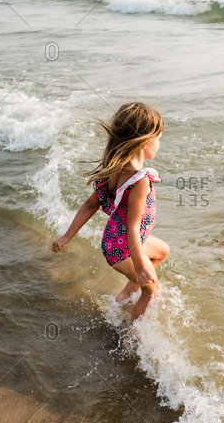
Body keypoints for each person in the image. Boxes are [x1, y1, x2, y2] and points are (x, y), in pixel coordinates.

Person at [52, 102, 169, 322]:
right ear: (145, 141)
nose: (159, 143)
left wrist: (66, 236)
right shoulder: (140, 181)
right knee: (152, 291)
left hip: (115, 242)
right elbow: (133, 228)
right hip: (125, 248)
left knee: (162, 251)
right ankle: (132, 337)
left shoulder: (112, 169)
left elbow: (90, 205)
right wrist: (141, 266)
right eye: (158, 137)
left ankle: (124, 295)